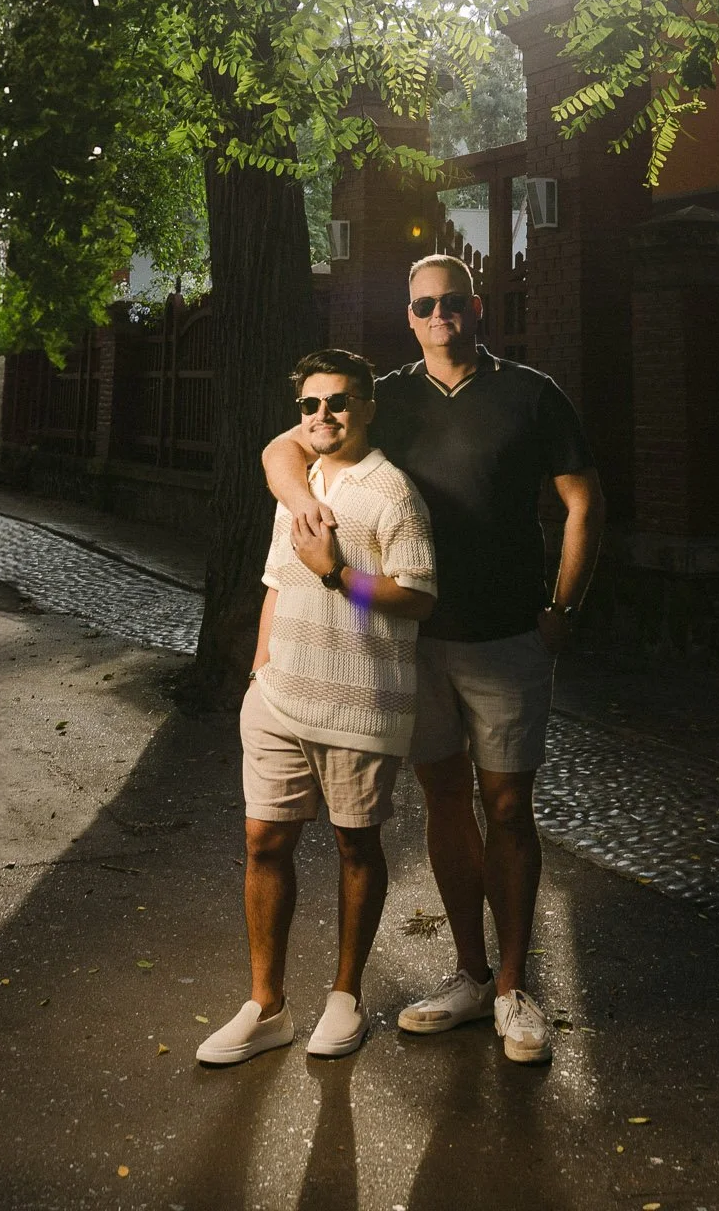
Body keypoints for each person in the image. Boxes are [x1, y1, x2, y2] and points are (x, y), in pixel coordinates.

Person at [262, 254, 604, 1065]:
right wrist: (307, 506)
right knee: (443, 802)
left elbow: (585, 502)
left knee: (510, 808)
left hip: (508, 635)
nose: (439, 314)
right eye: (424, 305)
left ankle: (518, 990)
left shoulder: (531, 392)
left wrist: (564, 608)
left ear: (476, 307)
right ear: (408, 315)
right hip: (410, 640)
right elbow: (282, 449)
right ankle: (471, 975)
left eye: (453, 301)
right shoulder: (388, 395)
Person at [197, 348, 437, 1067]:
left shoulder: (392, 494)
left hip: (362, 702)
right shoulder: (297, 480)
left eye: (338, 402)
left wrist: (338, 575)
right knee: (265, 844)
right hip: (279, 698)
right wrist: (258, 670)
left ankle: (344, 997)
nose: (323, 415)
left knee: (355, 847)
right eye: (311, 405)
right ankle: (266, 1006)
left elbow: (419, 596)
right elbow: (277, 577)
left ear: (366, 407)